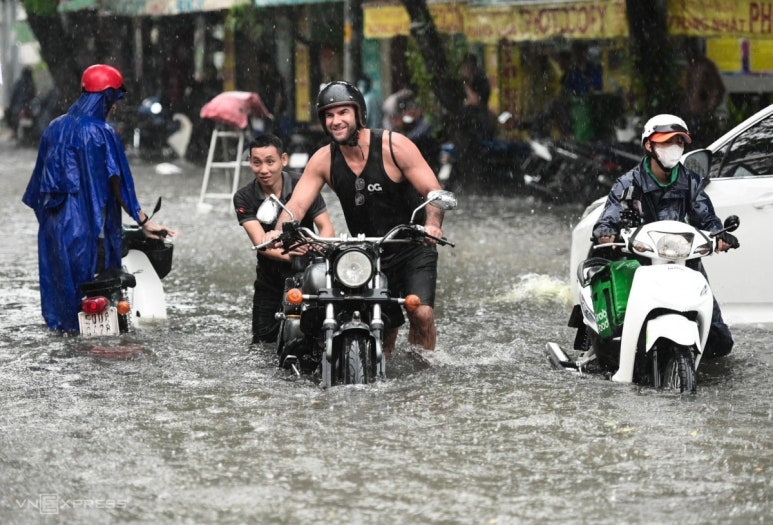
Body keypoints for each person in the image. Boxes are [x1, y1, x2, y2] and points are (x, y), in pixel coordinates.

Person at [264, 80, 446, 353]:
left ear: (359, 114)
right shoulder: (323, 159)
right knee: (381, 326)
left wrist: (432, 225)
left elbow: (434, 192)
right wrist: (280, 230)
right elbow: (297, 205)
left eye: (343, 112)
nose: (336, 120)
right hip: (369, 251)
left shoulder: (394, 145)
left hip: (413, 244)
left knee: (420, 313)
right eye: (329, 115)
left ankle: (425, 371)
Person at [22, 64, 177, 333]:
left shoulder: (52, 128)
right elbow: (120, 184)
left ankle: (67, 334)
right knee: (99, 287)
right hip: (88, 229)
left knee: (63, 299)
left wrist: (52, 223)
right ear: (106, 97)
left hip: (53, 229)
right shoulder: (103, 132)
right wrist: (143, 220)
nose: (115, 106)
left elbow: (37, 188)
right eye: (114, 99)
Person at [592, 114, 737, 359]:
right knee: (614, 344)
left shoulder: (691, 182)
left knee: (720, 342)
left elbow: (707, 218)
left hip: (686, 263)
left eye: (680, 142)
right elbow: (607, 219)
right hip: (640, 264)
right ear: (649, 145)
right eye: (668, 141)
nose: (675, 147)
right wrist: (606, 232)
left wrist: (720, 236)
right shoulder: (628, 183)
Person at [233, 134, 334, 345]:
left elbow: (326, 228)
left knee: (317, 338)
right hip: (269, 279)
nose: (264, 170)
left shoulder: (304, 185)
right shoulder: (243, 197)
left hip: (308, 274)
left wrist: (315, 249)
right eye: (257, 163)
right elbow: (260, 243)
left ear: (283, 160)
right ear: (249, 162)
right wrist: (292, 254)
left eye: (270, 162)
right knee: (262, 343)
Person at [684, 39, 726, 147]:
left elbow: (718, 89)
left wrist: (709, 107)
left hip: (704, 114)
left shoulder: (705, 66)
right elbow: (689, 89)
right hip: (694, 113)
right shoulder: (691, 67)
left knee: (707, 142)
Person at [5, 66, 36, 136]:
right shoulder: (31, 84)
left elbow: (13, 97)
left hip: (18, 109)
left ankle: (14, 131)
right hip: (27, 108)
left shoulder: (18, 83)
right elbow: (33, 96)